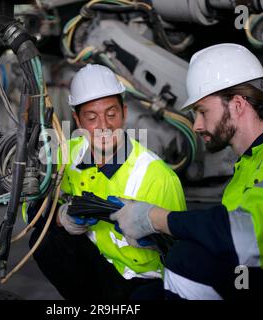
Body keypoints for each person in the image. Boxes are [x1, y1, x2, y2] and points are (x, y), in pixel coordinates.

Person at [111, 43, 263, 299]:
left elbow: (244, 238)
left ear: (238, 105)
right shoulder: (245, 168)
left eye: (202, 111)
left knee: (188, 259)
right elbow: (223, 238)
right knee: (143, 297)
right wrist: (158, 233)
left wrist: (154, 218)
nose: (196, 125)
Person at [29, 64, 186, 300]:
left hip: (142, 280)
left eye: (111, 114)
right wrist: (61, 219)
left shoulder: (157, 176)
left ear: (124, 112)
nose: (103, 126)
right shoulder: (64, 155)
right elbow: (30, 209)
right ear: (77, 120)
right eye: (91, 117)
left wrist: (151, 234)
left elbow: (180, 253)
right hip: (97, 264)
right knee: (44, 240)